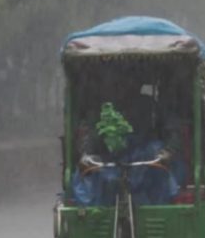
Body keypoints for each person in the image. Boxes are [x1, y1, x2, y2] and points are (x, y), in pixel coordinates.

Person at [71, 73, 185, 206]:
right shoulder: (102, 109)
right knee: (86, 177)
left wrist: (167, 152)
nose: (124, 87)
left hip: (144, 160)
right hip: (109, 161)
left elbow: (170, 130)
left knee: (159, 163)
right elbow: (90, 135)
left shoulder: (150, 106)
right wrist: (86, 154)